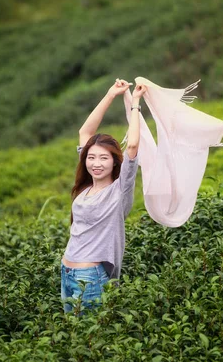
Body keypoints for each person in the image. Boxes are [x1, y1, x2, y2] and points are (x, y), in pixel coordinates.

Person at [61, 78, 146, 314]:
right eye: (91, 157)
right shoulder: (87, 187)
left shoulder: (120, 190)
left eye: (104, 158)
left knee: (86, 340)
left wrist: (135, 103)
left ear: (114, 161)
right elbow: (85, 131)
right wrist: (111, 95)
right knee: (70, 338)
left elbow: (133, 147)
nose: (96, 163)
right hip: (66, 271)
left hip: (91, 277)